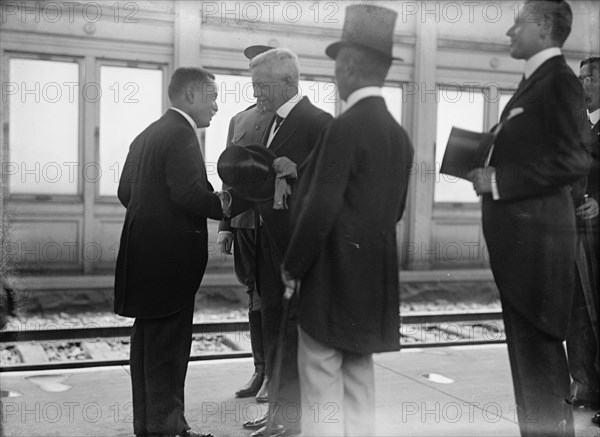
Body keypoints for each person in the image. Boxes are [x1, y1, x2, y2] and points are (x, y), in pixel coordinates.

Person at [281, 5, 414, 436]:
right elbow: (395, 211)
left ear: (350, 66)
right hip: (371, 280)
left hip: (330, 279)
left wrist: (292, 266)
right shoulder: (398, 135)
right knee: (359, 380)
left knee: (320, 379)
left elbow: (319, 208)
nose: (335, 76)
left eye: (337, 67)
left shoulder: (343, 128)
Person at [468, 1, 590, 434]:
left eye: (518, 24)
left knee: (538, 362)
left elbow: (575, 159)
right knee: (529, 362)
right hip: (524, 247)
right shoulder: (534, 83)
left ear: (542, 28)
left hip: (539, 247)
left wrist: (500, 181)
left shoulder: (558, 83)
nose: (509, 33)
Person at [114, 67, 230, 437]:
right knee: (169, 350)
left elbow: (125, 193)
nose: (215, 106)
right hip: (170, 263)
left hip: (142, 257)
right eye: (211, 97)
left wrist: (153, 217)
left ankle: (149, 428)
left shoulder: (148, 134)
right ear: (191, 95)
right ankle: (170, 431)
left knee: (148, 346)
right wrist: (230, 203)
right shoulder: (181, 135)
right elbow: (189, 195)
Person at [228, 48, 332, 437]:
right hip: (267, 244)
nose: (257, 94)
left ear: (290, 83)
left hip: (296, 250)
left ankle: (294, 421)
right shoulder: (269, 121)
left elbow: (330, 188)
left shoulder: (319, 123)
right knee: (275, 332)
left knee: (294, 337)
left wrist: (297, 174)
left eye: (263, 86)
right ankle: (279, 418)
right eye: (254, 86)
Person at [218, 46, 274, 404]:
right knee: (253, 295)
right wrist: (225, 223)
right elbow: (229, 176)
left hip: (274, 224)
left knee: (274, 299)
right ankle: (260, 369)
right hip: (244, 223)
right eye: (254, 79)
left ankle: (278, 373)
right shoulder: (239, 120)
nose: (257, 88)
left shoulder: (289, 120)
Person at [567, 55, 600, 414]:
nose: (581, 88)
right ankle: (586, 388)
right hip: (576, 230)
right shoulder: (582, 128)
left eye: (588, 80)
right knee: (578, 313)